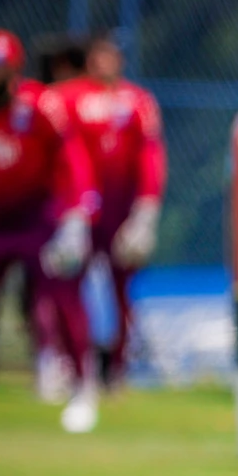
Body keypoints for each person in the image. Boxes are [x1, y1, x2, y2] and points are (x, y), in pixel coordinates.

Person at [0, 29, 99, 432]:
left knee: (63, 297)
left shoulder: (41, 105)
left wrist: (76, 216)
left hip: (40, 219)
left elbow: (71, 157)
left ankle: (83, 388)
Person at [54, 32, 165, 387]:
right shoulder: (67, 99)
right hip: (81, 210)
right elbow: (64, 156)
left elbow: (149, 155)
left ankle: (116, 368)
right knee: (68, 285)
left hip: (122, 211)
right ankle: (73, 364)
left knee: (122, 289)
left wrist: (146, 210)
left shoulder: (138, 101)